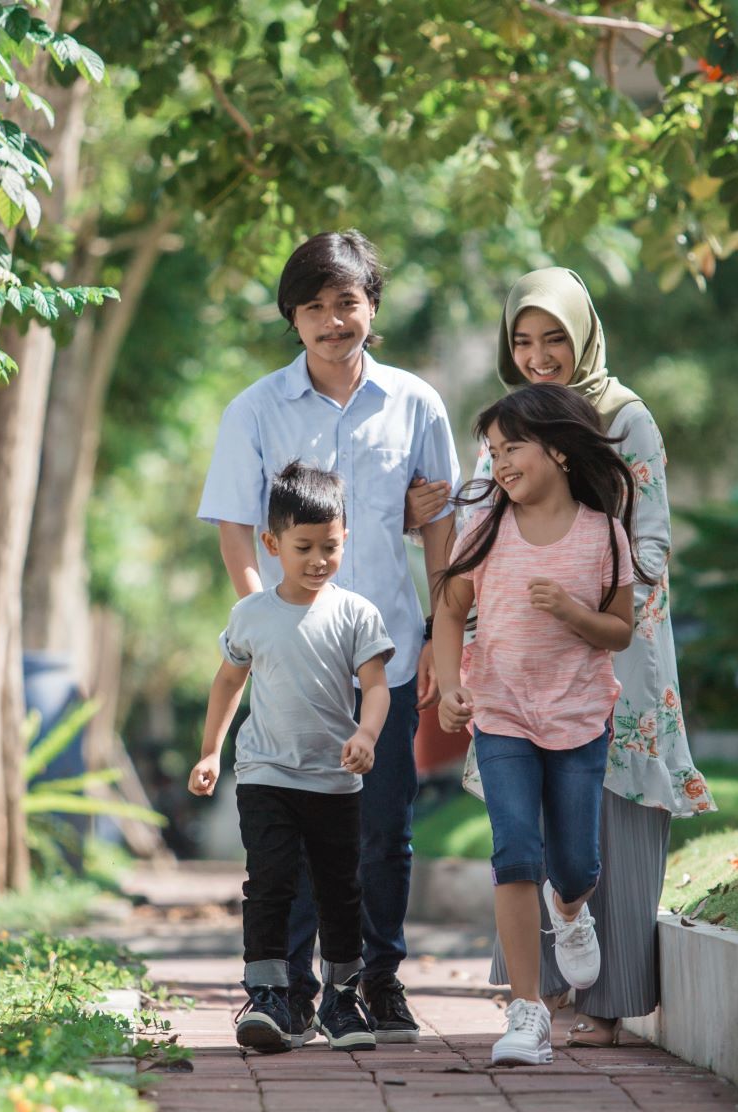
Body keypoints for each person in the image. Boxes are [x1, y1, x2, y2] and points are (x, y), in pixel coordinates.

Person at [197, 230, 461, 1044]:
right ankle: (286, 994)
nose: (331, 321)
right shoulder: (255, 409)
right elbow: (237, 527)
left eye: (345, 303)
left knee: (382, 831)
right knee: (295, 837)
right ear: (292, 318)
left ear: (371, 308)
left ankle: (376, 982)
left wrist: (446, 643)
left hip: (382, 656)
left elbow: (442, 527)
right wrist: (266, 625)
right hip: (290, 670)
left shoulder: (416, 404)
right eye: (312, 307)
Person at [487, 267, 716, 1046]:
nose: (539, 356)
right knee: (529, 811)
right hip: (528, 646)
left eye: (554, 338)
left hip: (619, 639)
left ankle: (609, 1004)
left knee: (608, 814)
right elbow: (491, 512)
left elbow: (650, 534)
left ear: (583, 334)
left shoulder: (625, 416)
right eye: (522, 340)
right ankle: (541, 993)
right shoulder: (512, 419)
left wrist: (601, 598)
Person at [431, 384, 650, 1067]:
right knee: (515, 852)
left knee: (576, 864)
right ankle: (526, 1012)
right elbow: (447, 608)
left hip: (579, 719)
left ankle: (570, 911)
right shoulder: (487, 529)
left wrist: (571, 613)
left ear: (557, 448)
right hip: (501, 717)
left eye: (511, 447)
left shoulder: (601, 534)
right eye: (491, 451)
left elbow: (617, 631)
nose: (497, 462)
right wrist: (448, 685)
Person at [190, 462, 394, 1053]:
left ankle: (342, 998)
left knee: (339, 891)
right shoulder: (251, 615)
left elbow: (376, 686)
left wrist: (368, 735)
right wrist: (210, 753)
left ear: (345, 539)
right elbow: (227, 684)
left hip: (334, 782)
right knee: (271, 883)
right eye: (303, 547)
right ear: (272, 544)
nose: (318, 559)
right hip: (266, 775)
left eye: (329, 546)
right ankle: (269, 996)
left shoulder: (356, 613)